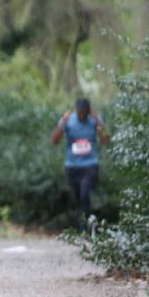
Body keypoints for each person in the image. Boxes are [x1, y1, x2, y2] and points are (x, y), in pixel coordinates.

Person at [50, 97, 110, 232]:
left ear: (88, 111)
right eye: (80, 112)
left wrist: (99, 123)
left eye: (85, 113)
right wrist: (62, 125)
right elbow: (54, 140)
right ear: (76, 111)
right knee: (78, 198)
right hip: (72, 166)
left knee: (85, 194)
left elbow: (105, 139)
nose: (82, 115)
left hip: (90, 165)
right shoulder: (68, 120)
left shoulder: (95, 120)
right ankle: (83, 223)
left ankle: (85, 228)